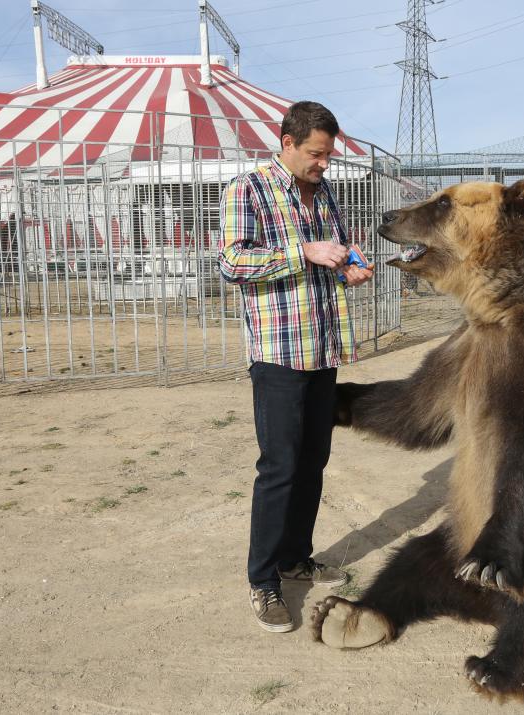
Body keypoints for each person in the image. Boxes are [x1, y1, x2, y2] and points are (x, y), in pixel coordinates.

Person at [218, 101, 374, 633]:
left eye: (328, 155)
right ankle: (263, 582)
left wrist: (350, 266)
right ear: (285, 141)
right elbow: (232, 261)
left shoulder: (324, 192)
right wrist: (302, 252)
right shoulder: (249, 189)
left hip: (323, 349)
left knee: (312, 463)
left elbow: (337, 249)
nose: (324, 164)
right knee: (280, 468)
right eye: (316, 154)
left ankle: (294, 559)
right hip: (279, 353)